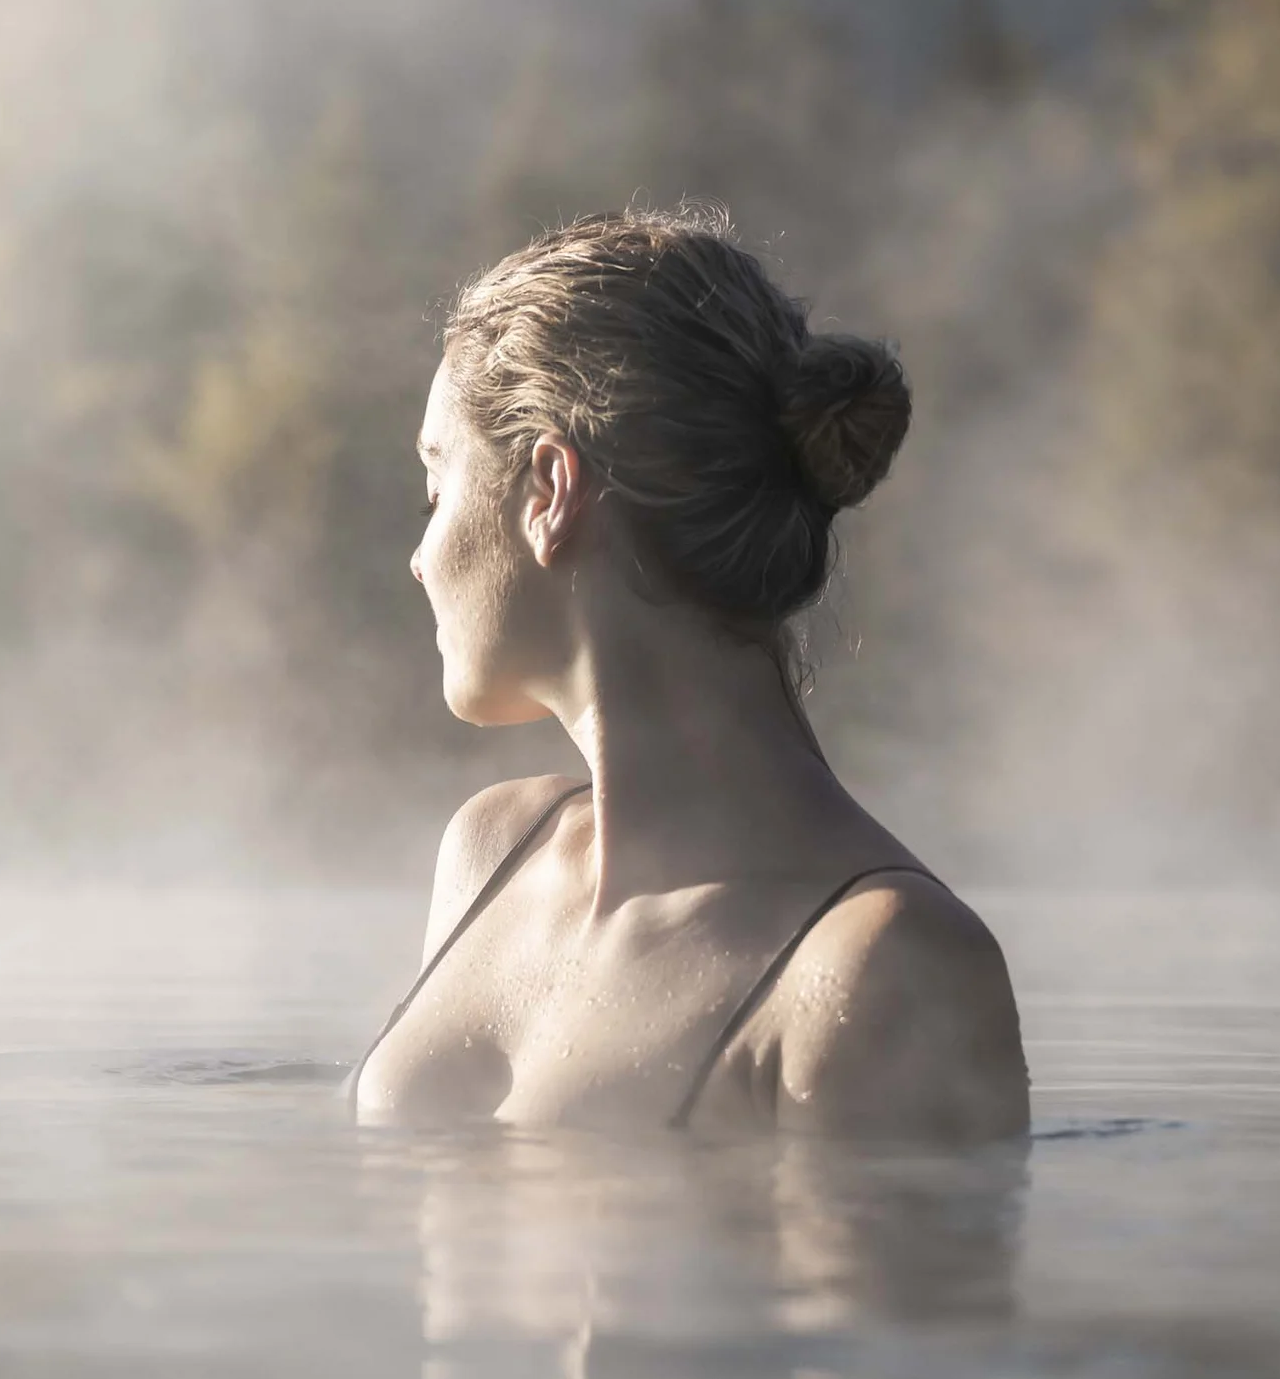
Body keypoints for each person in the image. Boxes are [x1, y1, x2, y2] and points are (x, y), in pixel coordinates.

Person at [353, 206, 1029, 1141]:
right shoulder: (492, 856)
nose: (420, 557)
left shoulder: (884, 966)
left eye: (437, 488)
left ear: (549, 491)